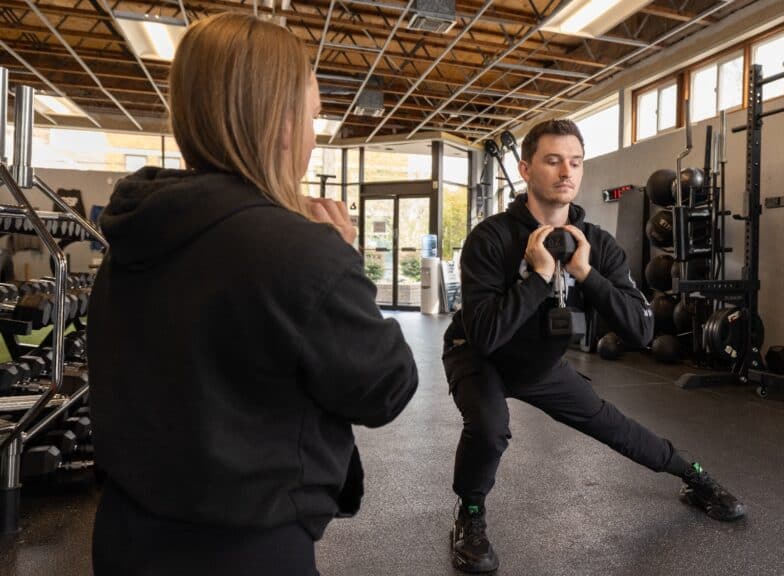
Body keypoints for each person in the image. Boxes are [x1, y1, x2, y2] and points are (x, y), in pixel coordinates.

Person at [87, 13, 417, 576]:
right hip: (243, 551)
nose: (316, 135)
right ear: (279, 121)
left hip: (124, 538)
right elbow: (386, 388)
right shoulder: (301, 251)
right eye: (314, 115)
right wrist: (342, 260)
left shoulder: (135, 232)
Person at [442, 120, 746, 573]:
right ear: (526, 169)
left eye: (575, 162)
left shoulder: (597, 245)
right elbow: (486, 333)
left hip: (541, 362)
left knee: (612, 425)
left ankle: (691, 475)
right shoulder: (491, 238)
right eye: (552, 160)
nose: (567, 171)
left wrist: (586, 275)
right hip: (479, 355)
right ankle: (469, 516)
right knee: (489, 424)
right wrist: (541, 275)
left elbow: (642, 332)